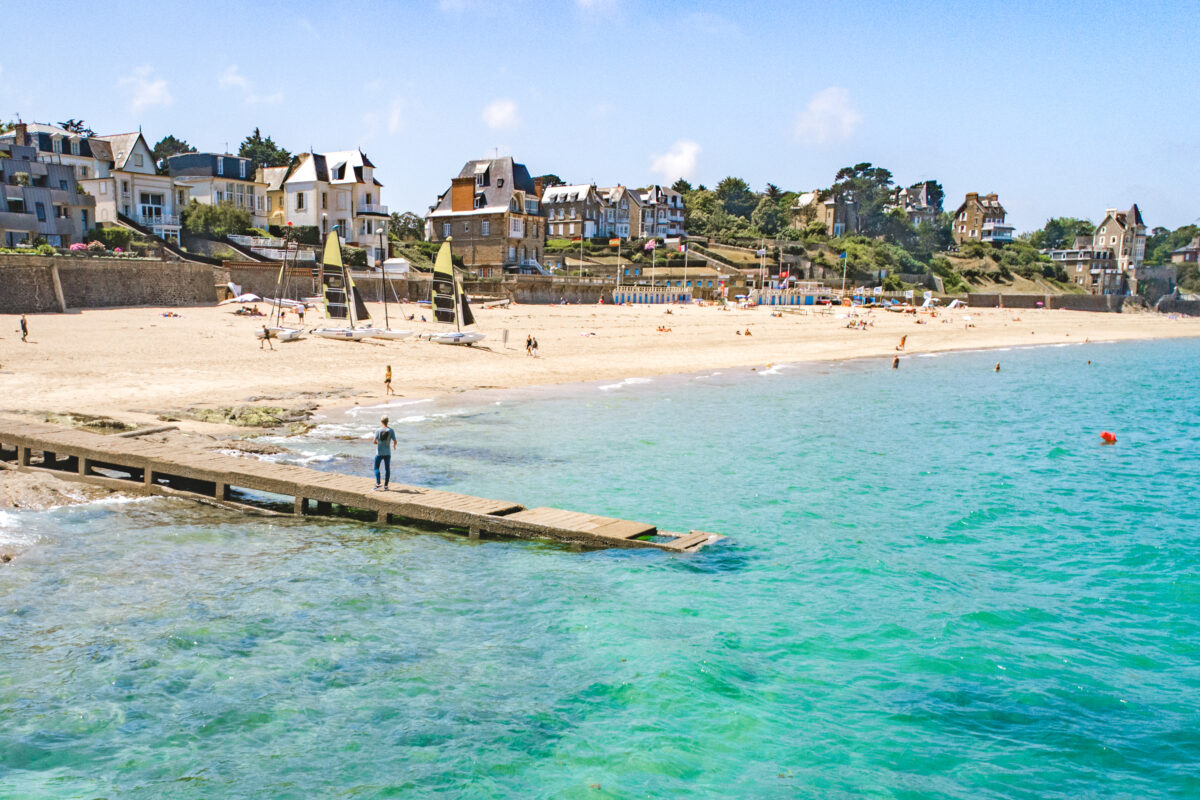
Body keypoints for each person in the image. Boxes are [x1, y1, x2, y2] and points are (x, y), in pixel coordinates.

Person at [373, 416, 397, 490]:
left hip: (379, 452)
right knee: (387, 469)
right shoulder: (391, 430)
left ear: (381, 422)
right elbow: (395, 441)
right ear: (387, 421)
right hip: (387, 453)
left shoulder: (378, 430)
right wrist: (394, 446)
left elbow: (374, 441)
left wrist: (378, 443)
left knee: (376, 468)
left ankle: (378, 484)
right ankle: (386, 486)